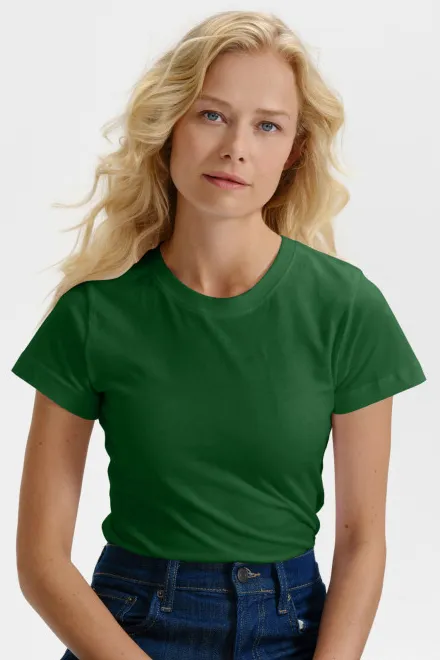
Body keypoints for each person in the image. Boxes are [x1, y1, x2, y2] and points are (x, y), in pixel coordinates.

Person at [12, 10, 426, 660]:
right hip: (124, 630)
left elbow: (362, 540)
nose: (236, 147)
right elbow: (40, 559)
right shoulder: (93, 313)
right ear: (170, 125)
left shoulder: (347, 308)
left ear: (294, 151)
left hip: (290, 633)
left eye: (268, 125)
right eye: (211, 114)